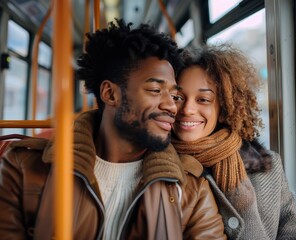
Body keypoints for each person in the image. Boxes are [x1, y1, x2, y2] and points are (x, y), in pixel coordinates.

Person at [0, 19, 226, 239]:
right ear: (110, 94)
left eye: (174, 95)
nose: (171, 106)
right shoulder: (23, 167)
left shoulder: (191, 190)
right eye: (155, 90)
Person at [171, 44, 296, 239]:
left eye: (203, 99)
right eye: (178, 97)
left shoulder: (268, 166)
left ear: (223, 107)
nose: (187, 109)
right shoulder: (158, 167)